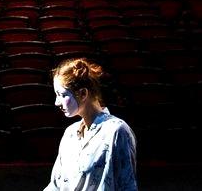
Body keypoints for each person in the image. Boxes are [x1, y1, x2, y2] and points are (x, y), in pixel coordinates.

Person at [44, 57, 138, 191]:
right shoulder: (70, 133)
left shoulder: (116, 131)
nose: (57, 102)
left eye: (62, 95)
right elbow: (55, 185)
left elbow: (127, 185)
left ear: (83, 94)